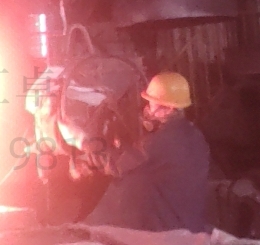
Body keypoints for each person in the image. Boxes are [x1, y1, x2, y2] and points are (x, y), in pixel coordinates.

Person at [82, 71, 210, 233]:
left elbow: (114, 165)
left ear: (169, 109)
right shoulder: (194, 135)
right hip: (189, 225)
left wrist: (84, 140)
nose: (147, 109)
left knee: (128, 183)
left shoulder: (162, 142)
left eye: (152, 104)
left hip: (166, 232)